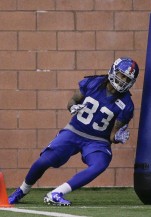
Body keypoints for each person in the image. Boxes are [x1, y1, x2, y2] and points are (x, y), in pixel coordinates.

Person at [8, 57, 139, 206]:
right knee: (43, 161)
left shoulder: (127, 105)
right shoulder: (93, 82)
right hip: (74, 131)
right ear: (113, 70)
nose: (123, 81)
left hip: (97, 141)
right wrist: (72, 108)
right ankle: (21, 190)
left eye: (128, 79)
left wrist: (118, 136)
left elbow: (112, 136)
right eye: (122, 75)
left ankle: (57, 193)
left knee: (100, 164)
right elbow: (72, 101)